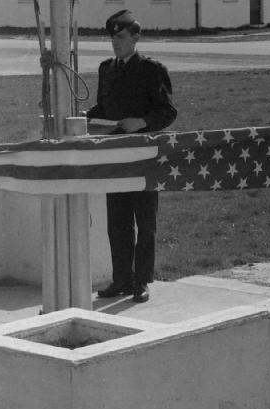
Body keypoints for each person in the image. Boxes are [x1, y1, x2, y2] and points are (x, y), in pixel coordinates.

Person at [86, 10, 177, 303]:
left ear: (136, 37)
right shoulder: (106, 69)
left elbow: (168, 112)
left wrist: (142, 122)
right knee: (118, 221)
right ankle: (121, 279)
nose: (116, 43)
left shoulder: (152, 70)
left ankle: (141, 281)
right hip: (115, 155)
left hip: (144, 155)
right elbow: (102, 108)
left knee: (144, 221)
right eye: (113, 38)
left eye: (121, 37)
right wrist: (80, 118)